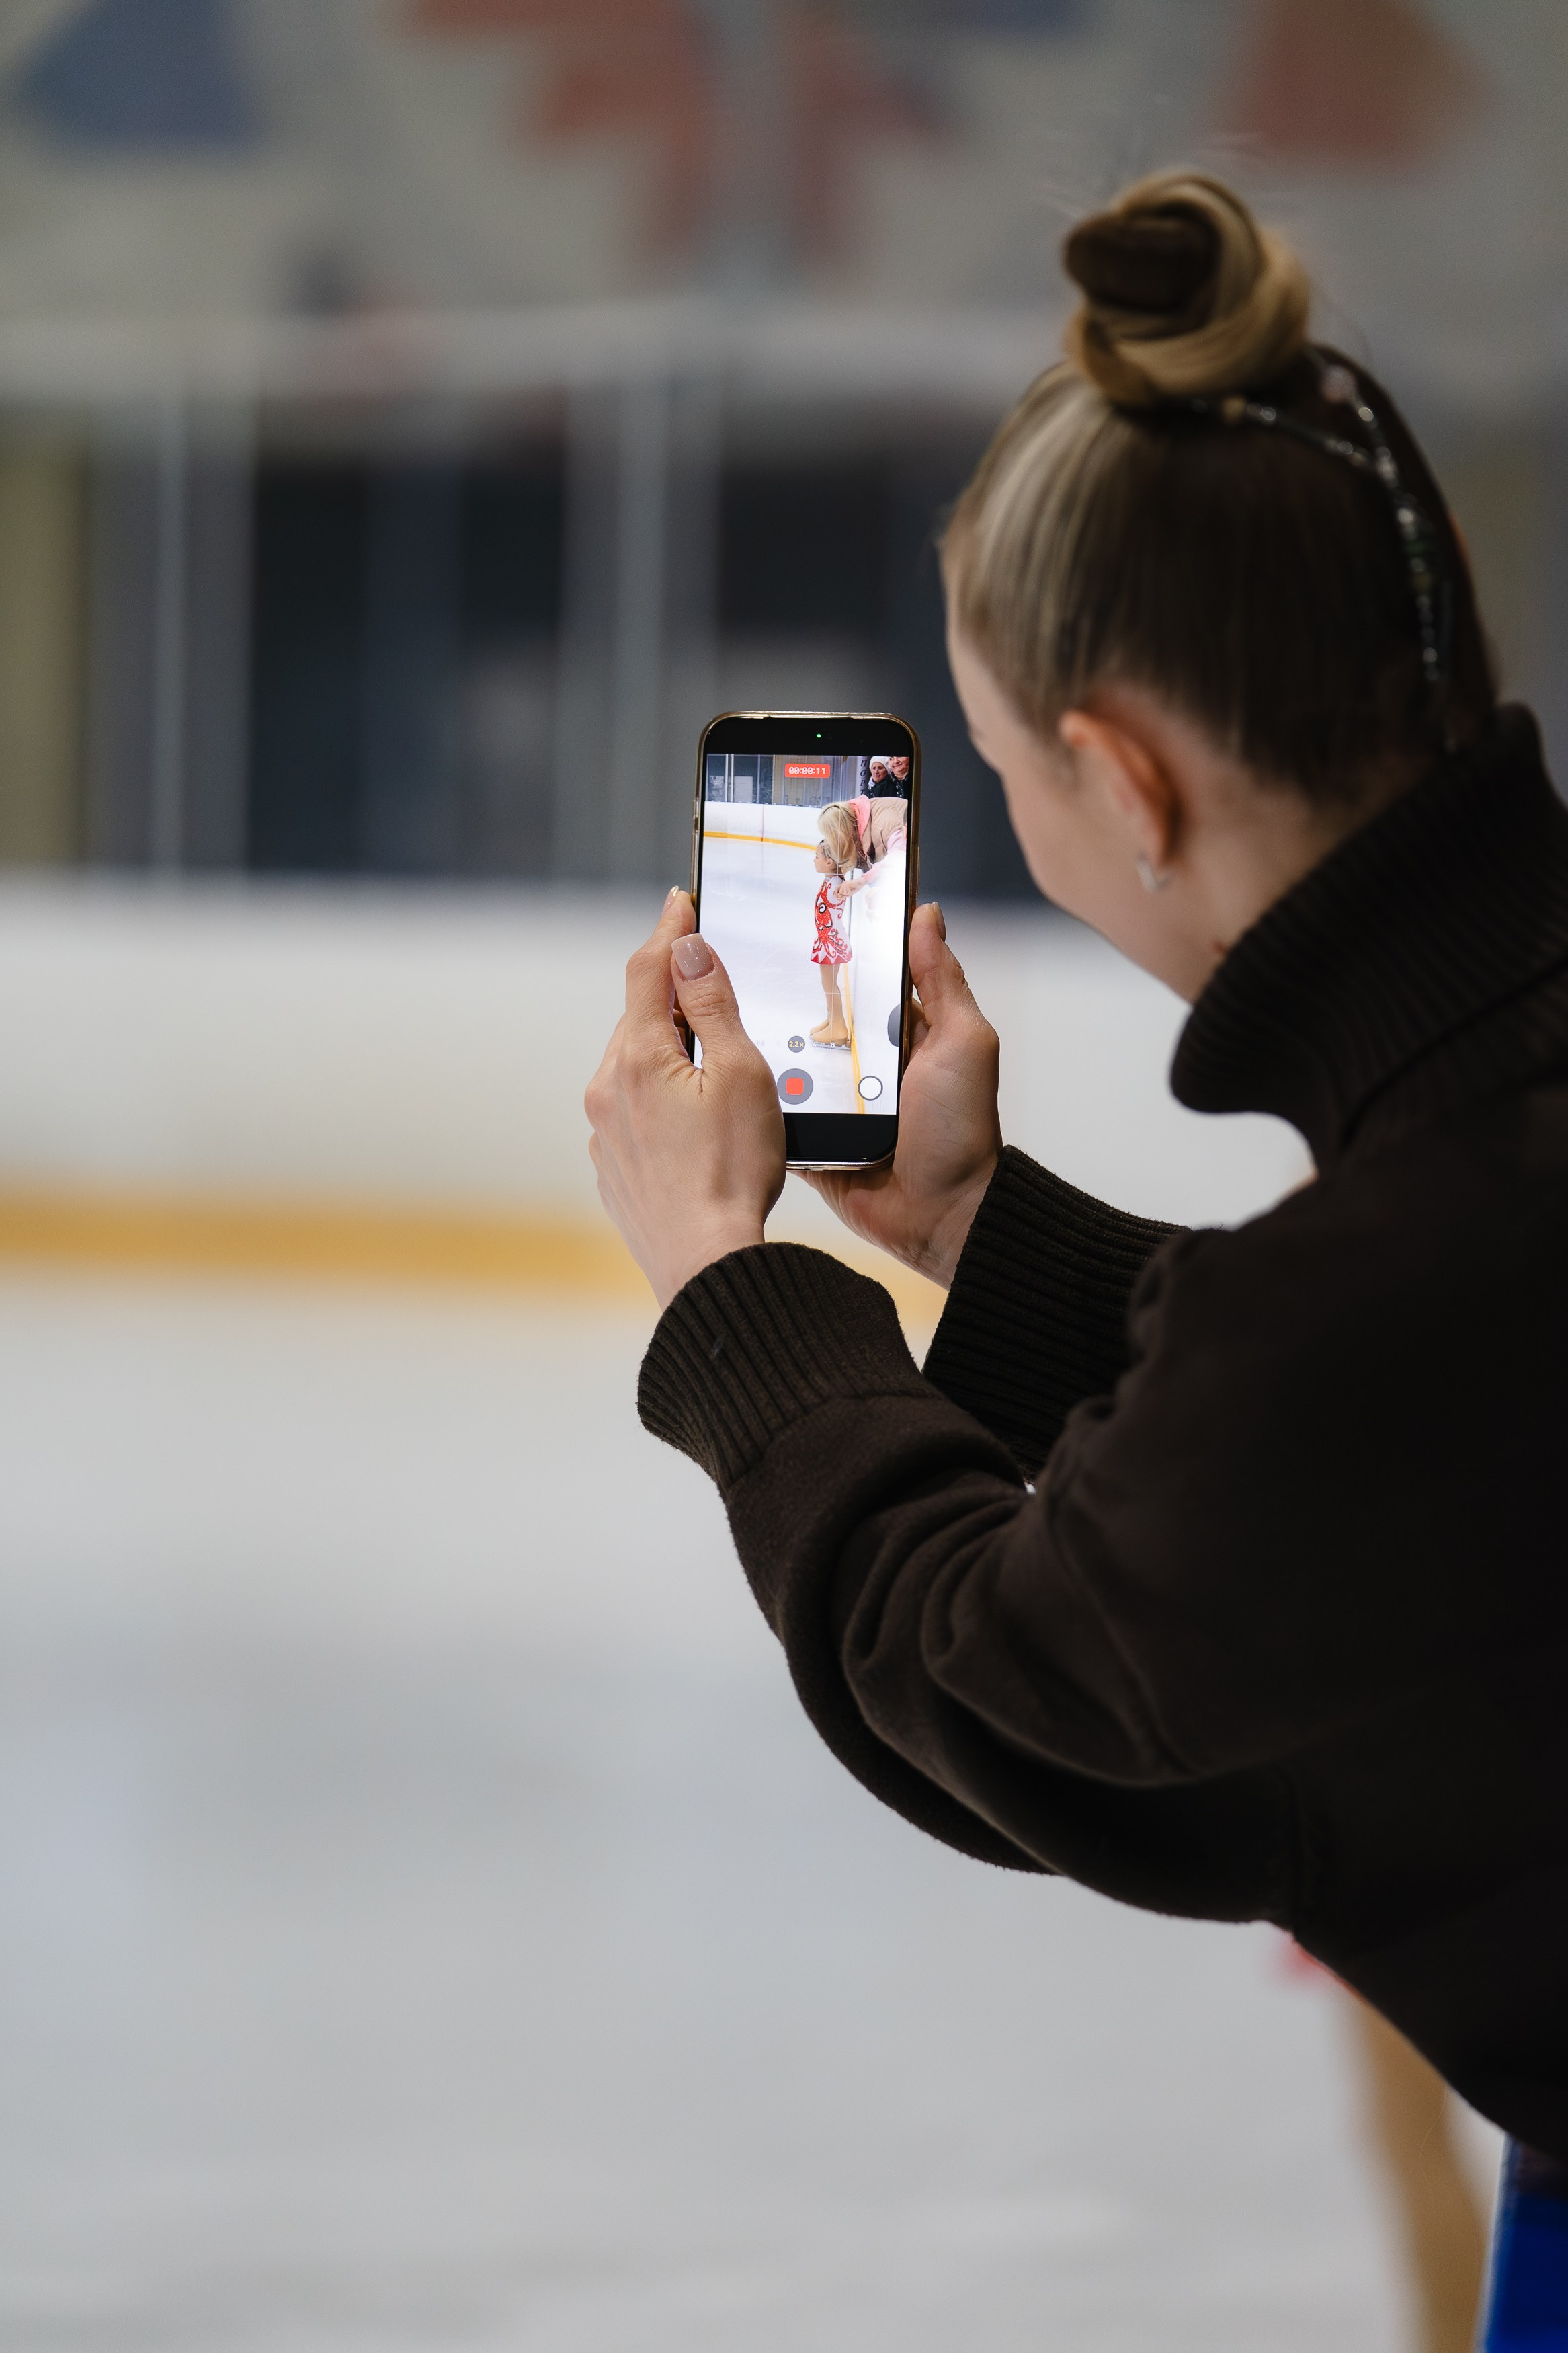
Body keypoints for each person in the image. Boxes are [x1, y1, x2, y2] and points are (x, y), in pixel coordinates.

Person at [585, 170, 1568, 2169]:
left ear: (1122, 781)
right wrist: (976, 1230)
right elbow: (1393, 1425)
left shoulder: (1388, 1274)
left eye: (1007, 770)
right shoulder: (1472, 1149)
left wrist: (732, 1291)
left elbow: (1012, 1670)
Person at [808, 803, 865, 1047]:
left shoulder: (835, 886)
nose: (814, 860)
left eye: (818, 857)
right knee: (828, 984)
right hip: (829, 939)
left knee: (830, 984)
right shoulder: (831, 881)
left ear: (831, 862)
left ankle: (838, 1028)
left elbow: (839, 897)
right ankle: (832, 1019)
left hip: (831, 942)